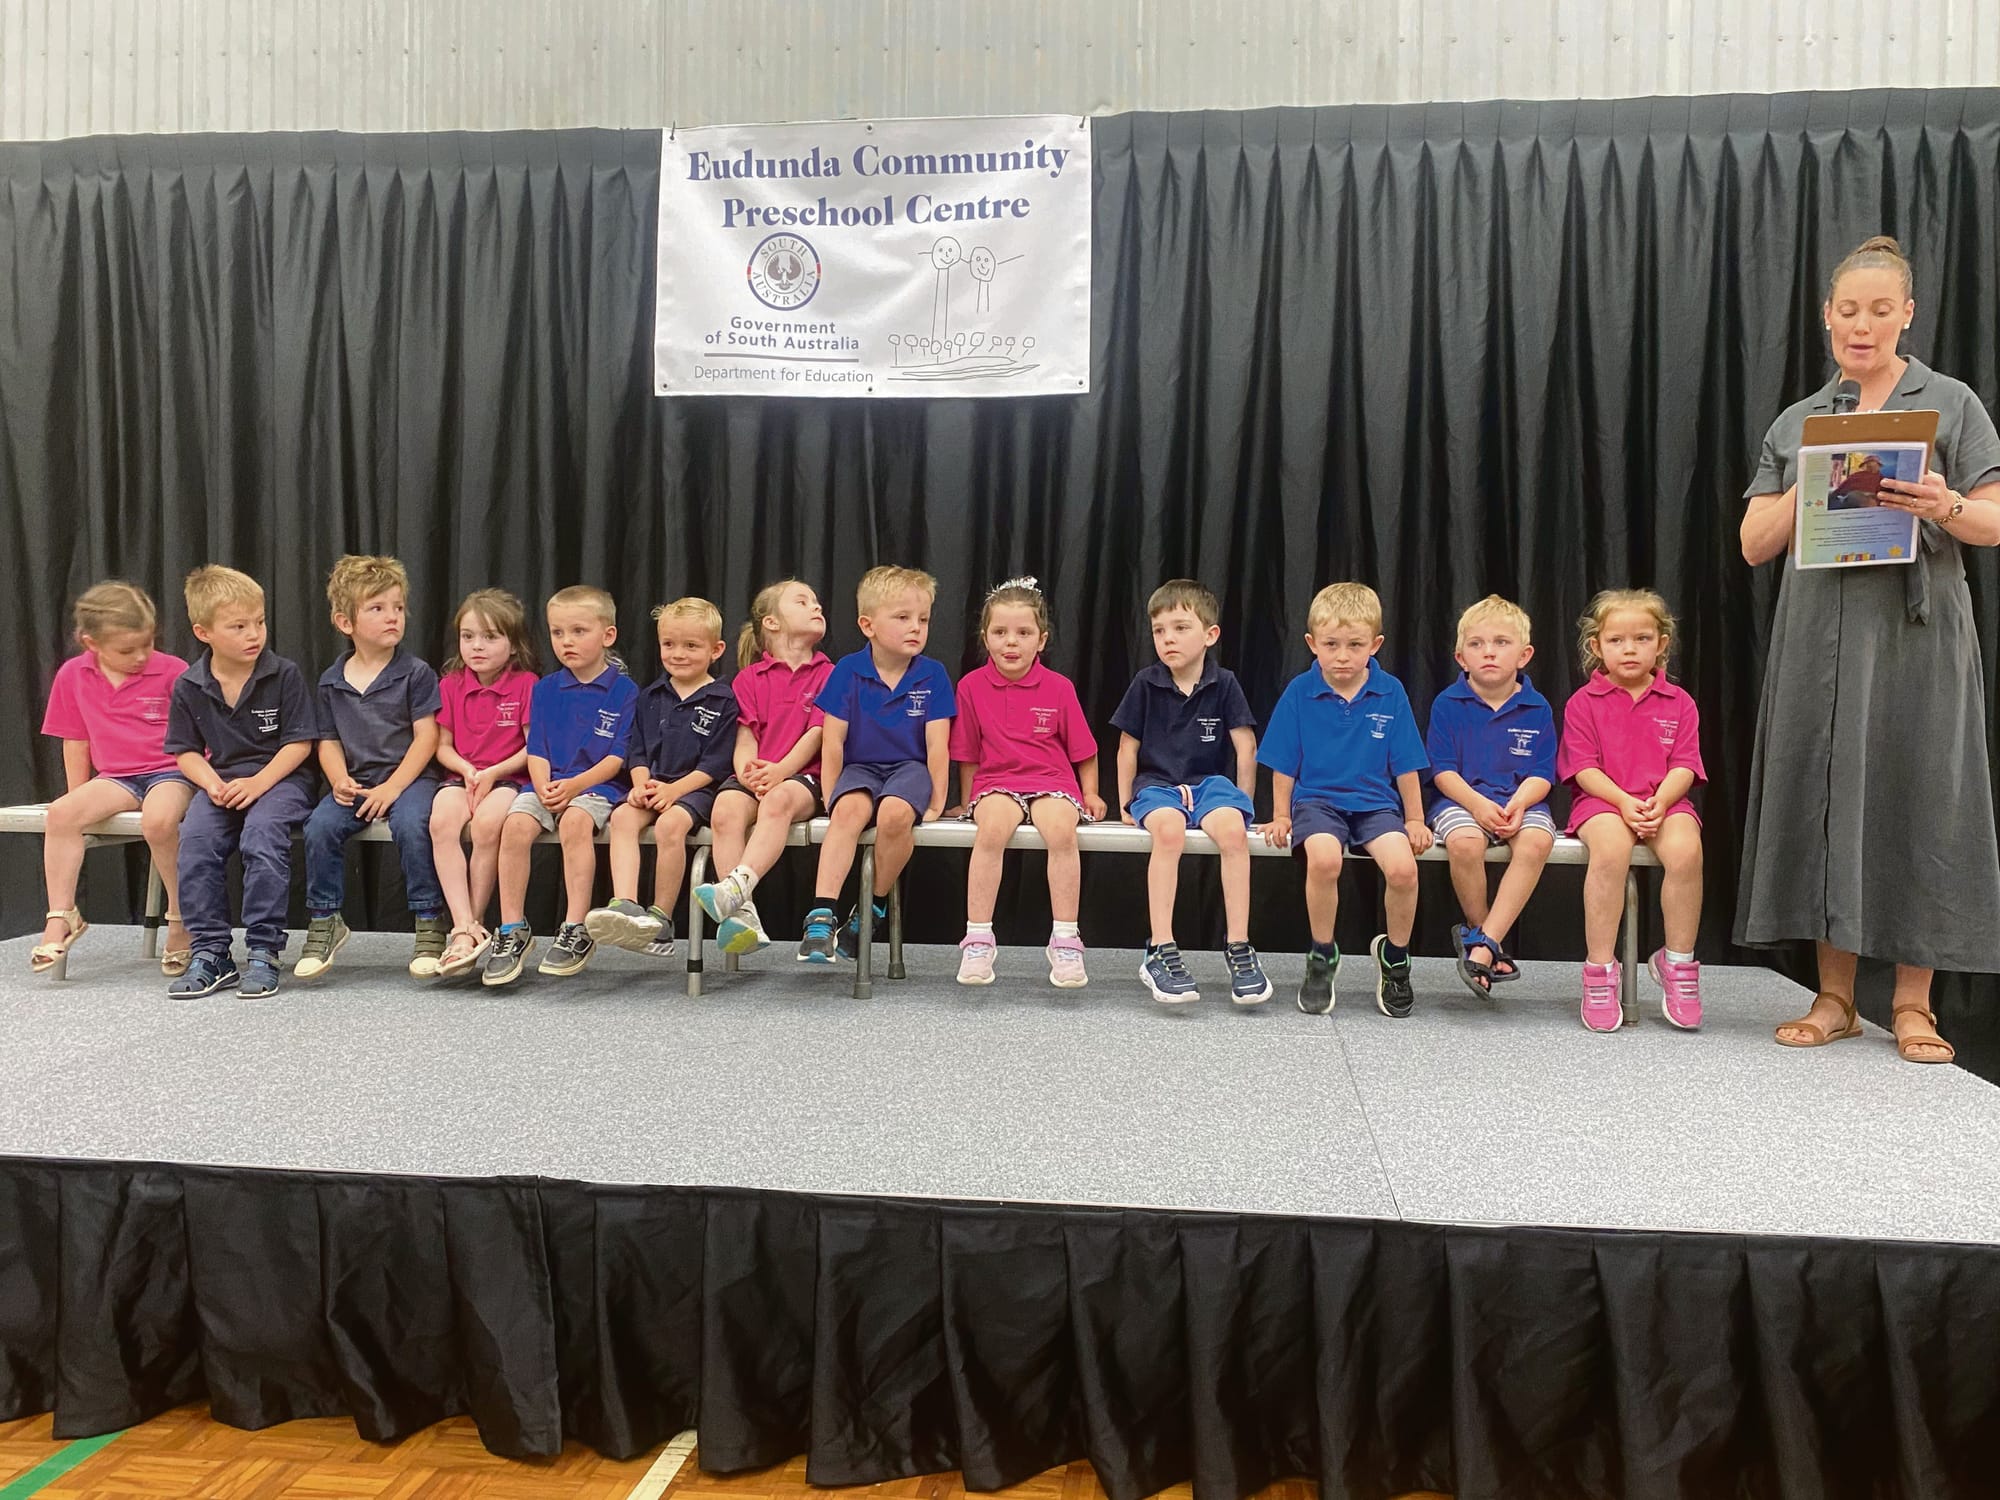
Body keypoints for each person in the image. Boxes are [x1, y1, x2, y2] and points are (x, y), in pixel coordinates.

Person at [1738, 234, 2000, 1064]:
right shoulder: (1802, 419)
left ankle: (1915, 1005)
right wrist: (1814, 475)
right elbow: (1752, 543)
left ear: (1907, 315)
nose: (1863, 324)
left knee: (1922, 801)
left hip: (1920, 641)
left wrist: (1945, 504)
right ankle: (1837, 998)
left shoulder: (1949, 403)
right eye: (1848, 310)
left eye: (1881, 310)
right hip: (1822, 642)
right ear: (1827, 318)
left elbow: (1993, 521)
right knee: (1829, 797)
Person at [1258, 582, 1431, 1017]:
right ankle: (1322, 955)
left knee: (1404, 869)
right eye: (1331, 645)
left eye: (1355, 645)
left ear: (1375, 645)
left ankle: (1396, 958)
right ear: (1312, 644)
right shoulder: (1300, 690)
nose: (1342, 656)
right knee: (1324, 860)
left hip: (1376, 805)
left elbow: (1406, 764)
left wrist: (1415, 819)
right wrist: (1281, 815)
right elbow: (1283, 763)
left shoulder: (1391, 692)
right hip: (1317, 802)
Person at [1109, 578, 1267, 1005]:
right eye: (1159, 630)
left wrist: (1245, 801)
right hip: (1156, 786)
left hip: (1210, 786)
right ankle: (1161, 946)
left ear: (1210, 635)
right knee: (1169, 833)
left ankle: (1239, 946)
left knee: (1233, 833)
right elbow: (1127, 747)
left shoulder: (1225, 683)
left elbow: (1244, 744)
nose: (1168, 639)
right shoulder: (1146, 682)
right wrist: (1126, 803)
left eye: (1180, 627)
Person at [162, 566, 317, 999]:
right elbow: (185, 751)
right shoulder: (189, 685)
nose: (254, 634)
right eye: (239, 626)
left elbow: (300, 744)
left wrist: (259, 782)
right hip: (223, 783)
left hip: (282, 779)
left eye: (260, 622)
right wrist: (210, 784)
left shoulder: (282, 674)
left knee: (262, 836)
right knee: (194, 840)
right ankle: (211, 952)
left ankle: (264, 949)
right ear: (203, 631)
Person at [1557, 589, 1706, 1033]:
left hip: (1665, 802)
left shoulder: (1680, 703)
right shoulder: (1583, 703)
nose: (1629, 649)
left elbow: (1685, 764)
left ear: (1661, 644)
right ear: (1596, 646)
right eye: (1617, 640)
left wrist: (1660, 802)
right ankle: (1600, 970)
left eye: (1641, 639)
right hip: (1603, 802)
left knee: (1686, 852)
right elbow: (1583, 769)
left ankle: (1677, 964)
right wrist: (1623, 802)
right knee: (1609, 852)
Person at [295, 556, 446, 982]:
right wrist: (339, 779)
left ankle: (429, 922)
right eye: (377, 609)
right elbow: (327, 741)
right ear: (346, 622)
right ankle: (325, 920)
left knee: (414, 825)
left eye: (397, 607)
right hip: (357, 783)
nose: (392, 617)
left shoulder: (415, 673)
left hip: (411, 780)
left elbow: (426, 739)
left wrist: (394, 789)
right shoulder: (331, 680)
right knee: (319, 827)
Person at [951, 578, 1107, 989]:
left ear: (1042, 640)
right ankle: (979, 937)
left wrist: (1089, 792)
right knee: (993, 827)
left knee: (1060, 829)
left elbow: (1084, 750)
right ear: (985, 637)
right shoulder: (970, 687)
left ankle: (1066, 939)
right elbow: (967, 752)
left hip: (1051, 779)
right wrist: (969, 800)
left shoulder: (1059, 687)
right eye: (1000, 632)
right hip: (997, 781)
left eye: (1023, 633)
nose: (1011, 643)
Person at [34, 582, 194, 976]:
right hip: (118, 777)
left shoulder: (174, 671)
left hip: (170, 771)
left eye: (147, 644)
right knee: (61, 813)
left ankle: (181, 918)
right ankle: (61, 916)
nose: (141, 656)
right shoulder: (73, 675)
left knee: (160, 821)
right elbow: (75, 740)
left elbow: (196, 737)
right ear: (91, 643)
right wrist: (79, 797)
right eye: (127, 650)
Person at [797, 566, 955, 966]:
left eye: (922, 619)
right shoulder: (848, 670)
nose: (915, 628)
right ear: (867, 625)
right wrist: (831, 794)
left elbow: (938, 746)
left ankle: (874, 906)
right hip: (862, 768)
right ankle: (821, 915)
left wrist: (937, 800)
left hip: (909, 769)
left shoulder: (933, 674)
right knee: (847, 812)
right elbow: (832, 740)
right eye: (902, 618)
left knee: (895, 814)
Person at [484, 586, 637, 985]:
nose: (566, 642)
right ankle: (512, 928)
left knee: (573, 824)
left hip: (596, 788)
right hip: (546, 785)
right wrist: (543, 785)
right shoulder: (545, 688)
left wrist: (573, 787)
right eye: (557, 632)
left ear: (608, 635)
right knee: (514, 827)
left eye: (578, 631)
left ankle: (576, 928)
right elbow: (536, 748)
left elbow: (616, 759)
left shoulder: (624, 691)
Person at [584, 598, 737, 957]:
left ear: (716, 650)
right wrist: (639, 785)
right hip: (651, 785)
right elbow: (636, 750)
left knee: (671, 826)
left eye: (691, 646)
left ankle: (661, 919)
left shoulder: (723, 699)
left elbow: (717, 764)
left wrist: (675, 790)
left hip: (696, 790)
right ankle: (626, 904)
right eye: (669, 644)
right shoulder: (649, 696)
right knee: (621, 817)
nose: (678, 654)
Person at [1425, 594, 1558, 996]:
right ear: (1460, 657)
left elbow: (1542, 774)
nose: (1489, 653)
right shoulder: (1447, 704)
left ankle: (1482, 944)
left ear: (1524, 654)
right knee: (1464, 842)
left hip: (1521, 802)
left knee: (1536, 841)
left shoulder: (1538, 708)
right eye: (1477, 644)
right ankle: (1484, 939)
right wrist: (1478, 806)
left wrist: (1519, 803)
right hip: (1461, 802)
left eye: (1501, 643)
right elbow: (1442, 771)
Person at [694, 580, 832, 955]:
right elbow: (744, 737)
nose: (816, 606)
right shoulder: (748, 678)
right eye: (802, 601)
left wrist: (780, 772)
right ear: (771, 623)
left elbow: (817, 734)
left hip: (803, 778)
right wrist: (748, 773)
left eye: (816, 601)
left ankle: (737, 886)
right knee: (724, 810)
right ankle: (743, 917)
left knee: (778, 803)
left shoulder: (828, 673)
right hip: (757, 777)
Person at [429, 588, 539, 979]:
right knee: (441, 822)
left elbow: (532, 747)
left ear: (513, 645)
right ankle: (463, 927)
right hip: (462, 776)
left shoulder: (527, 684)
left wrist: (492, 773)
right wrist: (467, 770)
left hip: (508, 777)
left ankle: (476, 921)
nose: (478, 646)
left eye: (491, 637)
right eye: (469, 636)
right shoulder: (450, 685)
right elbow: (441, 746)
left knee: (487, 825)